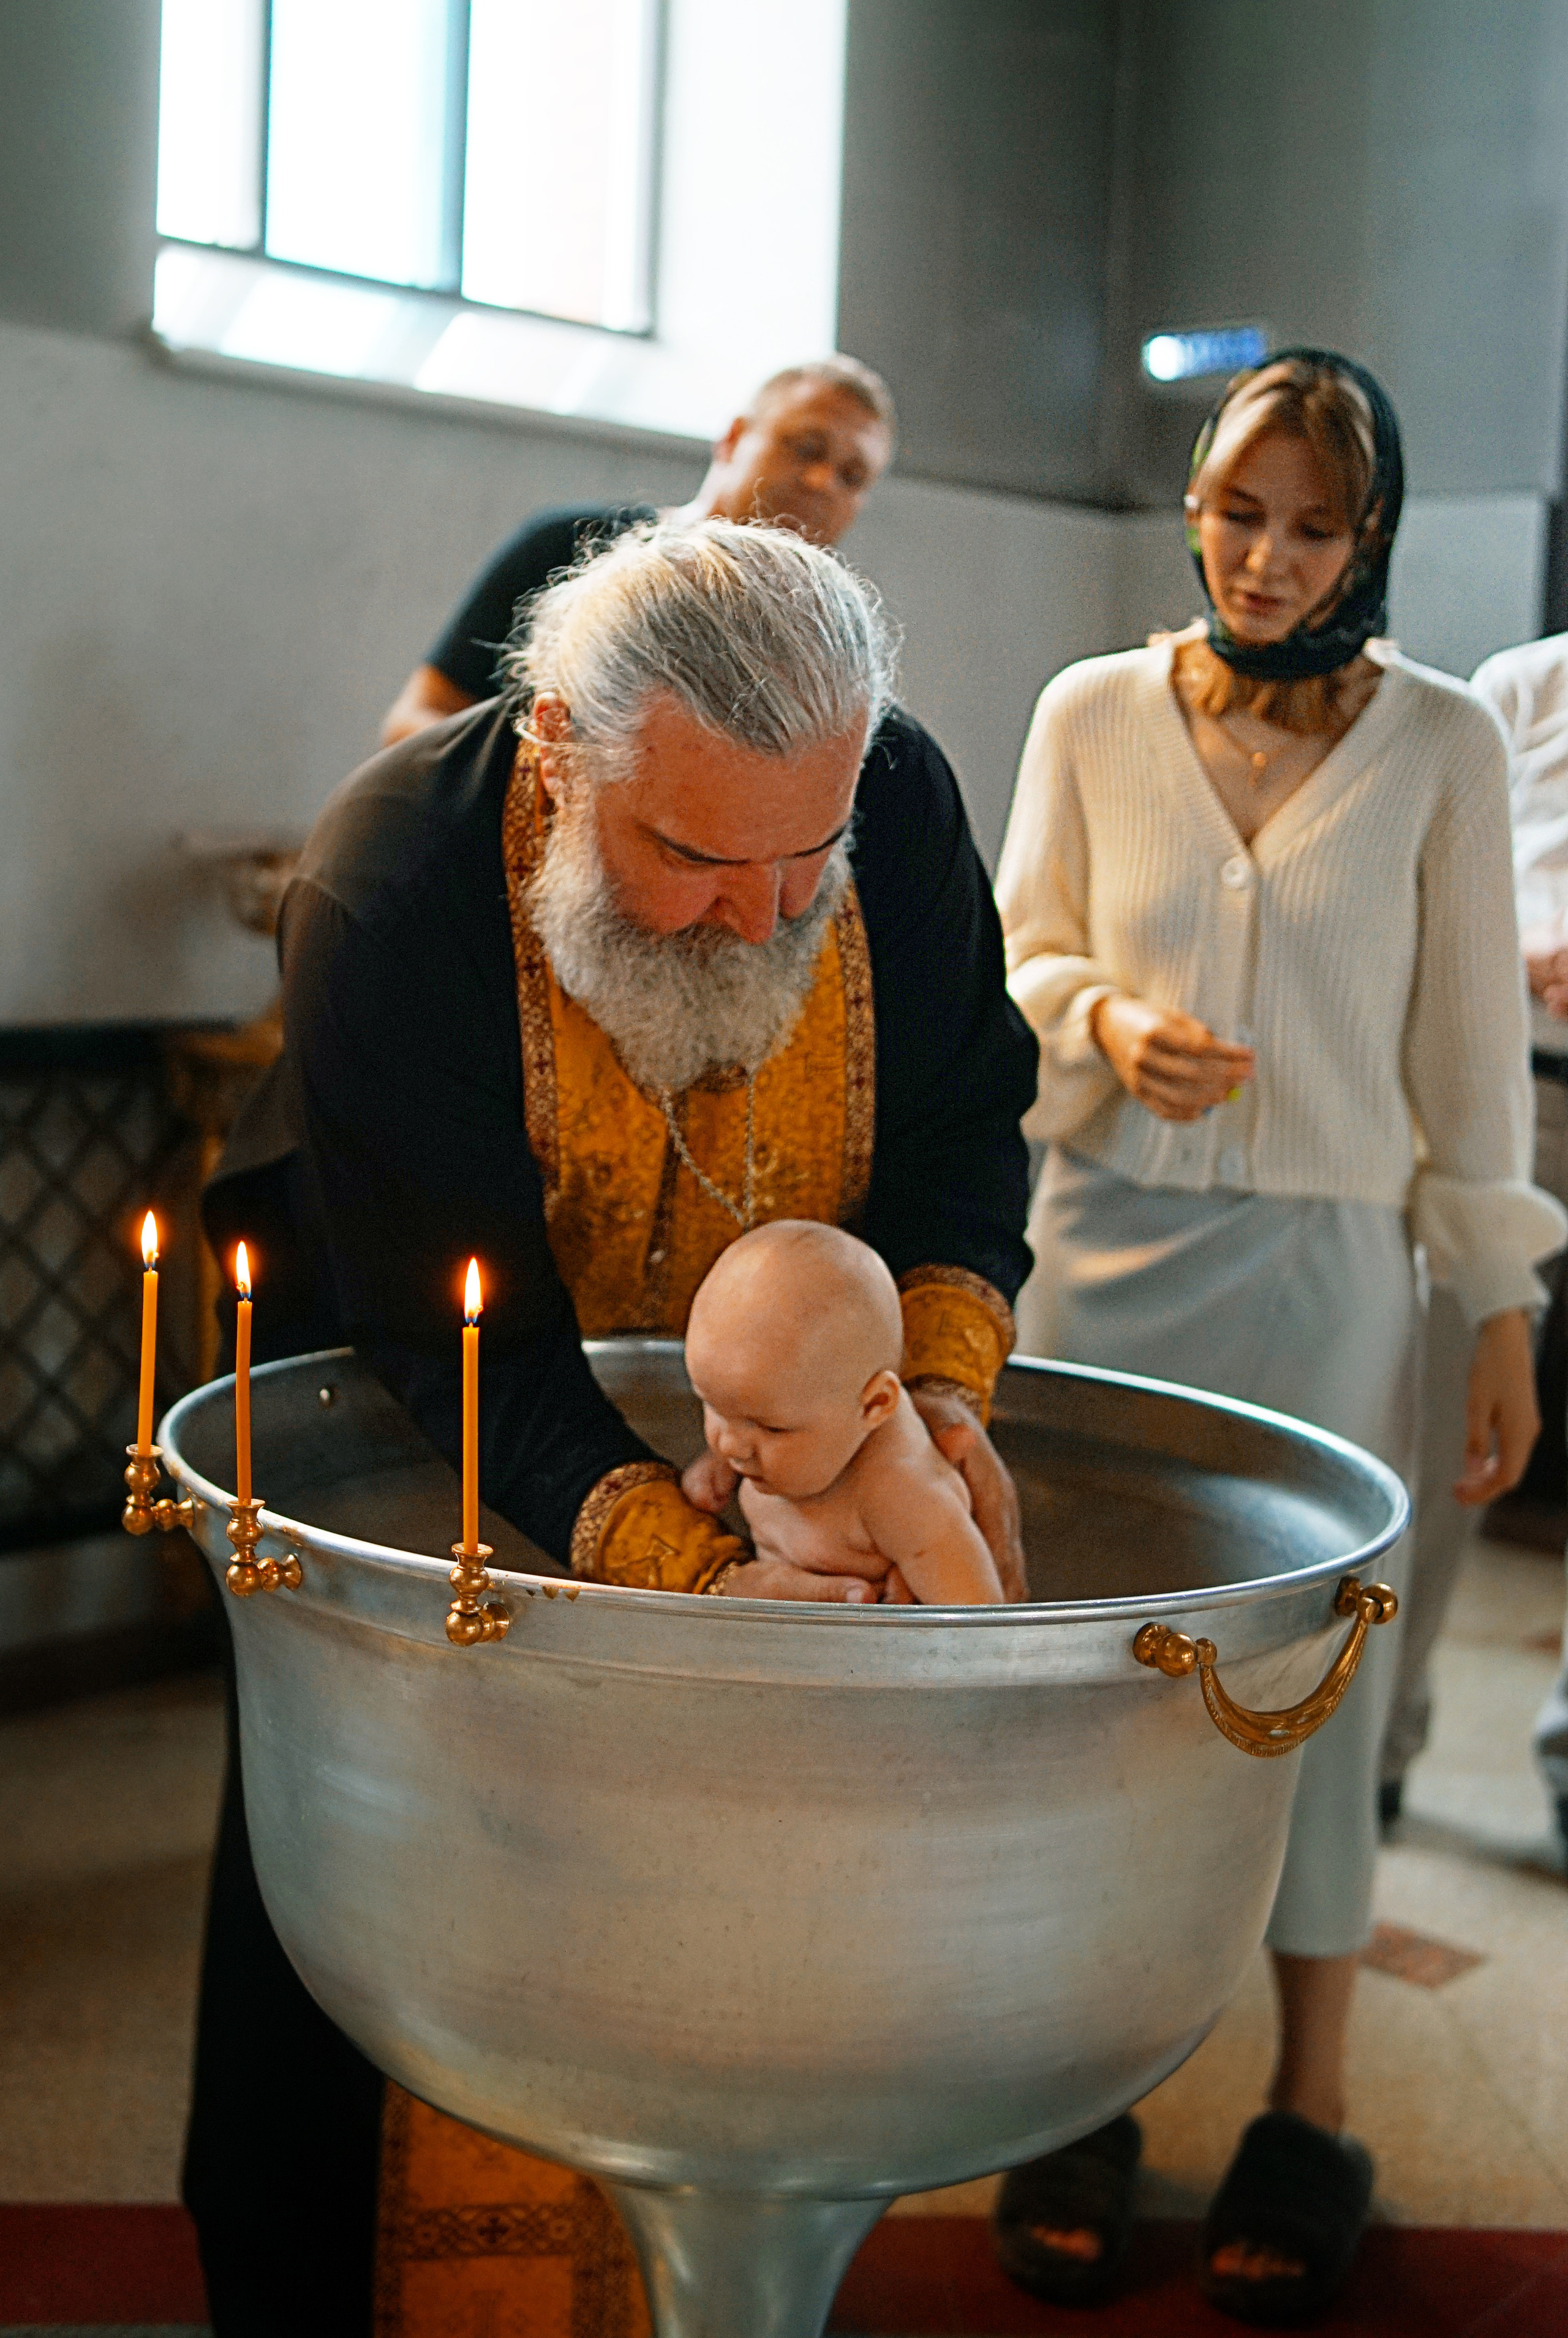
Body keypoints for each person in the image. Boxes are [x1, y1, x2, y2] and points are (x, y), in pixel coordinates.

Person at [190, 517, 1037, 2336]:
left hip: (773, 1410)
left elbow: (970, 1113)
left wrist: (929, 1391)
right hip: (427, 1418)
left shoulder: (889, 797)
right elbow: (444, 1328)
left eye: (806, 857)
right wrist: (670, 1560)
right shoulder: (391, 880)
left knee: (712, 1971)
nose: (764, 913)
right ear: (567, 753)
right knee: (354, 1905)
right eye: (693, 857)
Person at [991, 353, 1565, 2326]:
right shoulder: (1086, 708)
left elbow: (1471, 1066)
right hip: (1097, 1256)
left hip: (1328, 1287)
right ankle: (1083, 2092)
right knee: (1091, 1686)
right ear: (1195, 503)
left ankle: (1310, 2108)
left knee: (1311, 1686)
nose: (1266, 555)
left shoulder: (1435, 744)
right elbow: (1014, 951)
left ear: (1369, 536)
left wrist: (1496, 1306)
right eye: (1241, 511)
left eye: (1313, 525)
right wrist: (1097, 1022)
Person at [1382, 631, 1568, 1863]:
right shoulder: (1522, 685)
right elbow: (1437, 900)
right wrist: (1521, 963)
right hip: (1517, 1096)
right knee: (1448, 1424)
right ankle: (1378, 1746)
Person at [378, 355, 897, 745]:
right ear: (735, 438)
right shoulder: (566, 546)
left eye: (853, 476)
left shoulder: (823, 646)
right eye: (806, 447)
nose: (823, 481)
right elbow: (413, 723)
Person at [682, 1220, 1006, 1604]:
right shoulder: (783, 1413)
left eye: (771, 1428)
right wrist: (711, 1472)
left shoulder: (900, 1490)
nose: (731, 1445)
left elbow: (976, 1626)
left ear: (875, 1405)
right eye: (713, 1405)